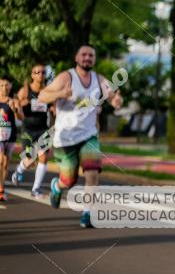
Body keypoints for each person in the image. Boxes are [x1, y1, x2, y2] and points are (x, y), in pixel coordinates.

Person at [38, 45, 122, 228]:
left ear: (94, 59)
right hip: (65, 138)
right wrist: (61, 93)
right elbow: (42, 96)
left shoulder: (99, 80)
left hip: (89, 136)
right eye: (83, 54)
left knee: (92, 172)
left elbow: (113, 95)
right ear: (76, 58)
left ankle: (87, 213)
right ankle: (57, 186)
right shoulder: (65, 77)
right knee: (69, 180)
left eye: (91, 55)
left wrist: (116, 101)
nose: (87, 58)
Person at [10, 64, 53, 197]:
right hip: (28, 129)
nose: (40, 75)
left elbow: (53, 108)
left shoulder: (48, 91)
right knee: (30, 160)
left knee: (44, 157)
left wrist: (54, 111)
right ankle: (19, 170)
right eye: (37, 72)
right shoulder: (25, 90)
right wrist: (19, 106)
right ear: (32, 75)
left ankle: (36, 189)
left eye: (43, 72)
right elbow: (17, 109)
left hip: (43, 129)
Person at [0, 79, 22, 202]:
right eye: (1, 85)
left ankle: (1, 188)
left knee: (6, 162)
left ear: (10, 87)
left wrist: (15, 110)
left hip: (10, 135)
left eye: (6, 85)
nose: (4, 87)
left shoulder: (14, 101)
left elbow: (21, 117)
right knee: (0, 160)